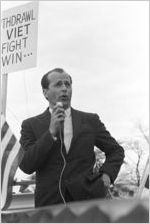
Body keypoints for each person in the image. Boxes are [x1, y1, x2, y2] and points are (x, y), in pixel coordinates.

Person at [19, 68, 124, 207]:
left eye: (67, 84)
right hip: (49, 205)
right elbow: (26, 165)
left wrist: (106, 176)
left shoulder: (90, 120)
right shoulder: (30, 125)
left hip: (88, 202)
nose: (64, 88)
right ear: (45, 92)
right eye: (58, 84)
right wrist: (50, 133)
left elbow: (116, 151)